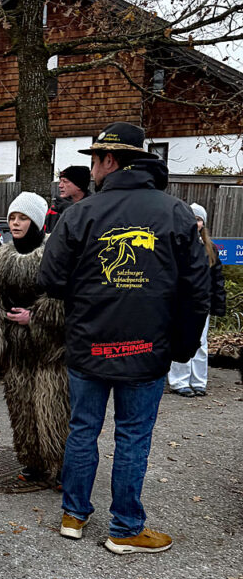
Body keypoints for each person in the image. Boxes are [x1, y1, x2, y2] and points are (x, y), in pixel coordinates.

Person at [37, 122, 211, 555]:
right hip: (146, 350)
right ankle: (125, 528)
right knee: (132, 436)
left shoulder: (80, 214)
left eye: (92, 161)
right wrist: (183, 347)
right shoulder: (175, 213)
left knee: (83, 430)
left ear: (109, 160)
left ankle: (73, 515)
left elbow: (51, 279)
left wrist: (92, 293)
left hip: (88, 345)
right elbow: (197, 291)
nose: (90, 170)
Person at [0, 191, 68, 485]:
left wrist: (36, 316)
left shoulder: (55, 255)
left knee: (52, 409)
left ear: (36, 221)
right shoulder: (1, 261)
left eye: (22, 217)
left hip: (50, 350)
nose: (15, 223)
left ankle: (62, 467)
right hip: (17, 351)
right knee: (22, 408)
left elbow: (66, 299)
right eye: (12, 217)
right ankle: (33, 462)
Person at [168, 202, 227, 397]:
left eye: (199, 219)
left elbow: (217, 278)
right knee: (180, 338)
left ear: (204, 223)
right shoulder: (176, 245)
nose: (195, 223)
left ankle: (198, 380)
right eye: (192, 219)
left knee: (201, 343)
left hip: (202, 303)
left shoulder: (210, 249)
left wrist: (218, 303)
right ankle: (179, 381)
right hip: (180, 303)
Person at [44, 166, 91, 233]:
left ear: (79, 185)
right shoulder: (56, 207)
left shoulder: (93, 207)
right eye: (60, 181)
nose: (60, 185)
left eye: (65, 181)